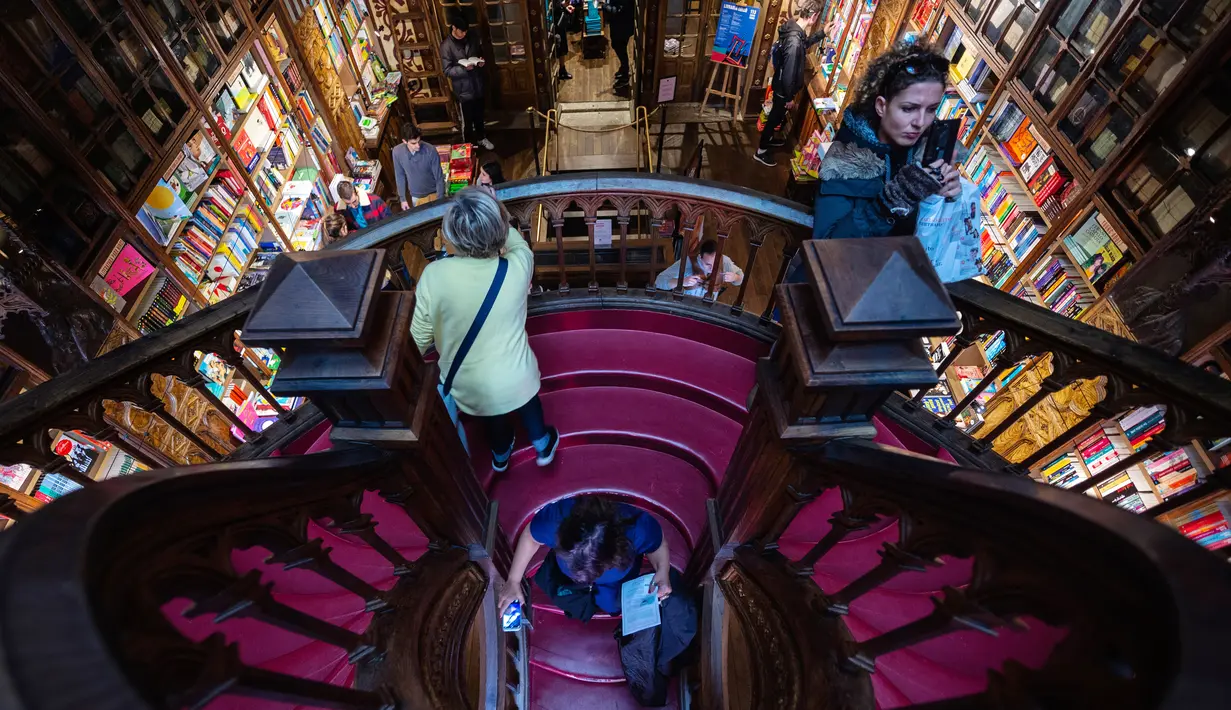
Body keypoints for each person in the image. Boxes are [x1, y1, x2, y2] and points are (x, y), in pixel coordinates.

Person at [410, 188, 559, 472]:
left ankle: (501, 457)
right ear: (499, 229)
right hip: (519, 376)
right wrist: (496, 207)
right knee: (529, 406)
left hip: (471, 387)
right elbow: (518, 244)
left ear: (453, 236)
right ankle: (542, 445)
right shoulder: (518, 265)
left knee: (494, 421)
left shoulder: (434, 276)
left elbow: (419, 337)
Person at [810, 43, 960, 240]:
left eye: (931, 109)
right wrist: (889, 203)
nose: (920, 123)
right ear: (882, 106)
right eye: (908, 108)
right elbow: (826, 248)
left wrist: (944, 198)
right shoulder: (844, 162)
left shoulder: (928, 151)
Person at [497, 495, 671, 620]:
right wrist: (513, 580)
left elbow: (658, 544)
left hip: (616, 583)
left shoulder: (638, 529)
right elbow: (530, 536)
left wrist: (663, 570)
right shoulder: (555, 521)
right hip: (569, 579)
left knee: (612, 605)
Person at [755, 0, 833, 167]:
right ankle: (761, 151)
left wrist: (821, 33)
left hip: (780, 84)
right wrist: (790, 97)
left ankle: (767, 141)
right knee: (775, 117)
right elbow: (789, 74)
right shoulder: (794, 41)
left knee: (776, 116)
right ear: (813, 16)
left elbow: (802, 45)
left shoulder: (792, 26)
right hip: (783, 88)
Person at [441, 11, 494, 151]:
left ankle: (482, 138)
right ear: (453, 28)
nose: (464, 34)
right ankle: (469, 146)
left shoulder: (472, 37)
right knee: (467, 121)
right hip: (463, 90)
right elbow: (447, 70)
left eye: (465, 31)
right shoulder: (446, 46)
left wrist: (480, 61)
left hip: (477, 84)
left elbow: (479, 52)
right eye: (461, 31)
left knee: (479, 116)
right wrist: (464, 69)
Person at [654, 239, 744, 297]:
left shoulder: (724, 261)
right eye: (707, 264)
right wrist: (682, 281)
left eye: (715, 264)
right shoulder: (687, 262)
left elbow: (740, 278)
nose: (712, 268)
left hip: (708, 307)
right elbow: (658, 281)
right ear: (700, 257)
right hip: (684, 307)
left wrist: (735, 277)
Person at [392, 123, 446, 210]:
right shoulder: (397, 152)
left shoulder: (430, 150)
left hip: (434, 192)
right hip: (416, 196)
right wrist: (403, 199)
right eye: (413, 143)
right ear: (404, 141)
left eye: (419, 141)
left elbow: (439, 177)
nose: (418, 146)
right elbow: (399, 175)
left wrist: (440, 200)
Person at [605, 0, 635, 90]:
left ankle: (625, 76)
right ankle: (623, 67)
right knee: (619, 46)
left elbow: (617, 11)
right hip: (620, 24)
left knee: (619, 47)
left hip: (622, 25)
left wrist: (605, 6)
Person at [552, 0, 576, 81]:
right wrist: (563, 5)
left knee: (562, 45)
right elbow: (553, 6)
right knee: (556, 47)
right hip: (553, 22)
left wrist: (565, 7)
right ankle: (556, 72)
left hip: (559, 20)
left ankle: (562, 70)